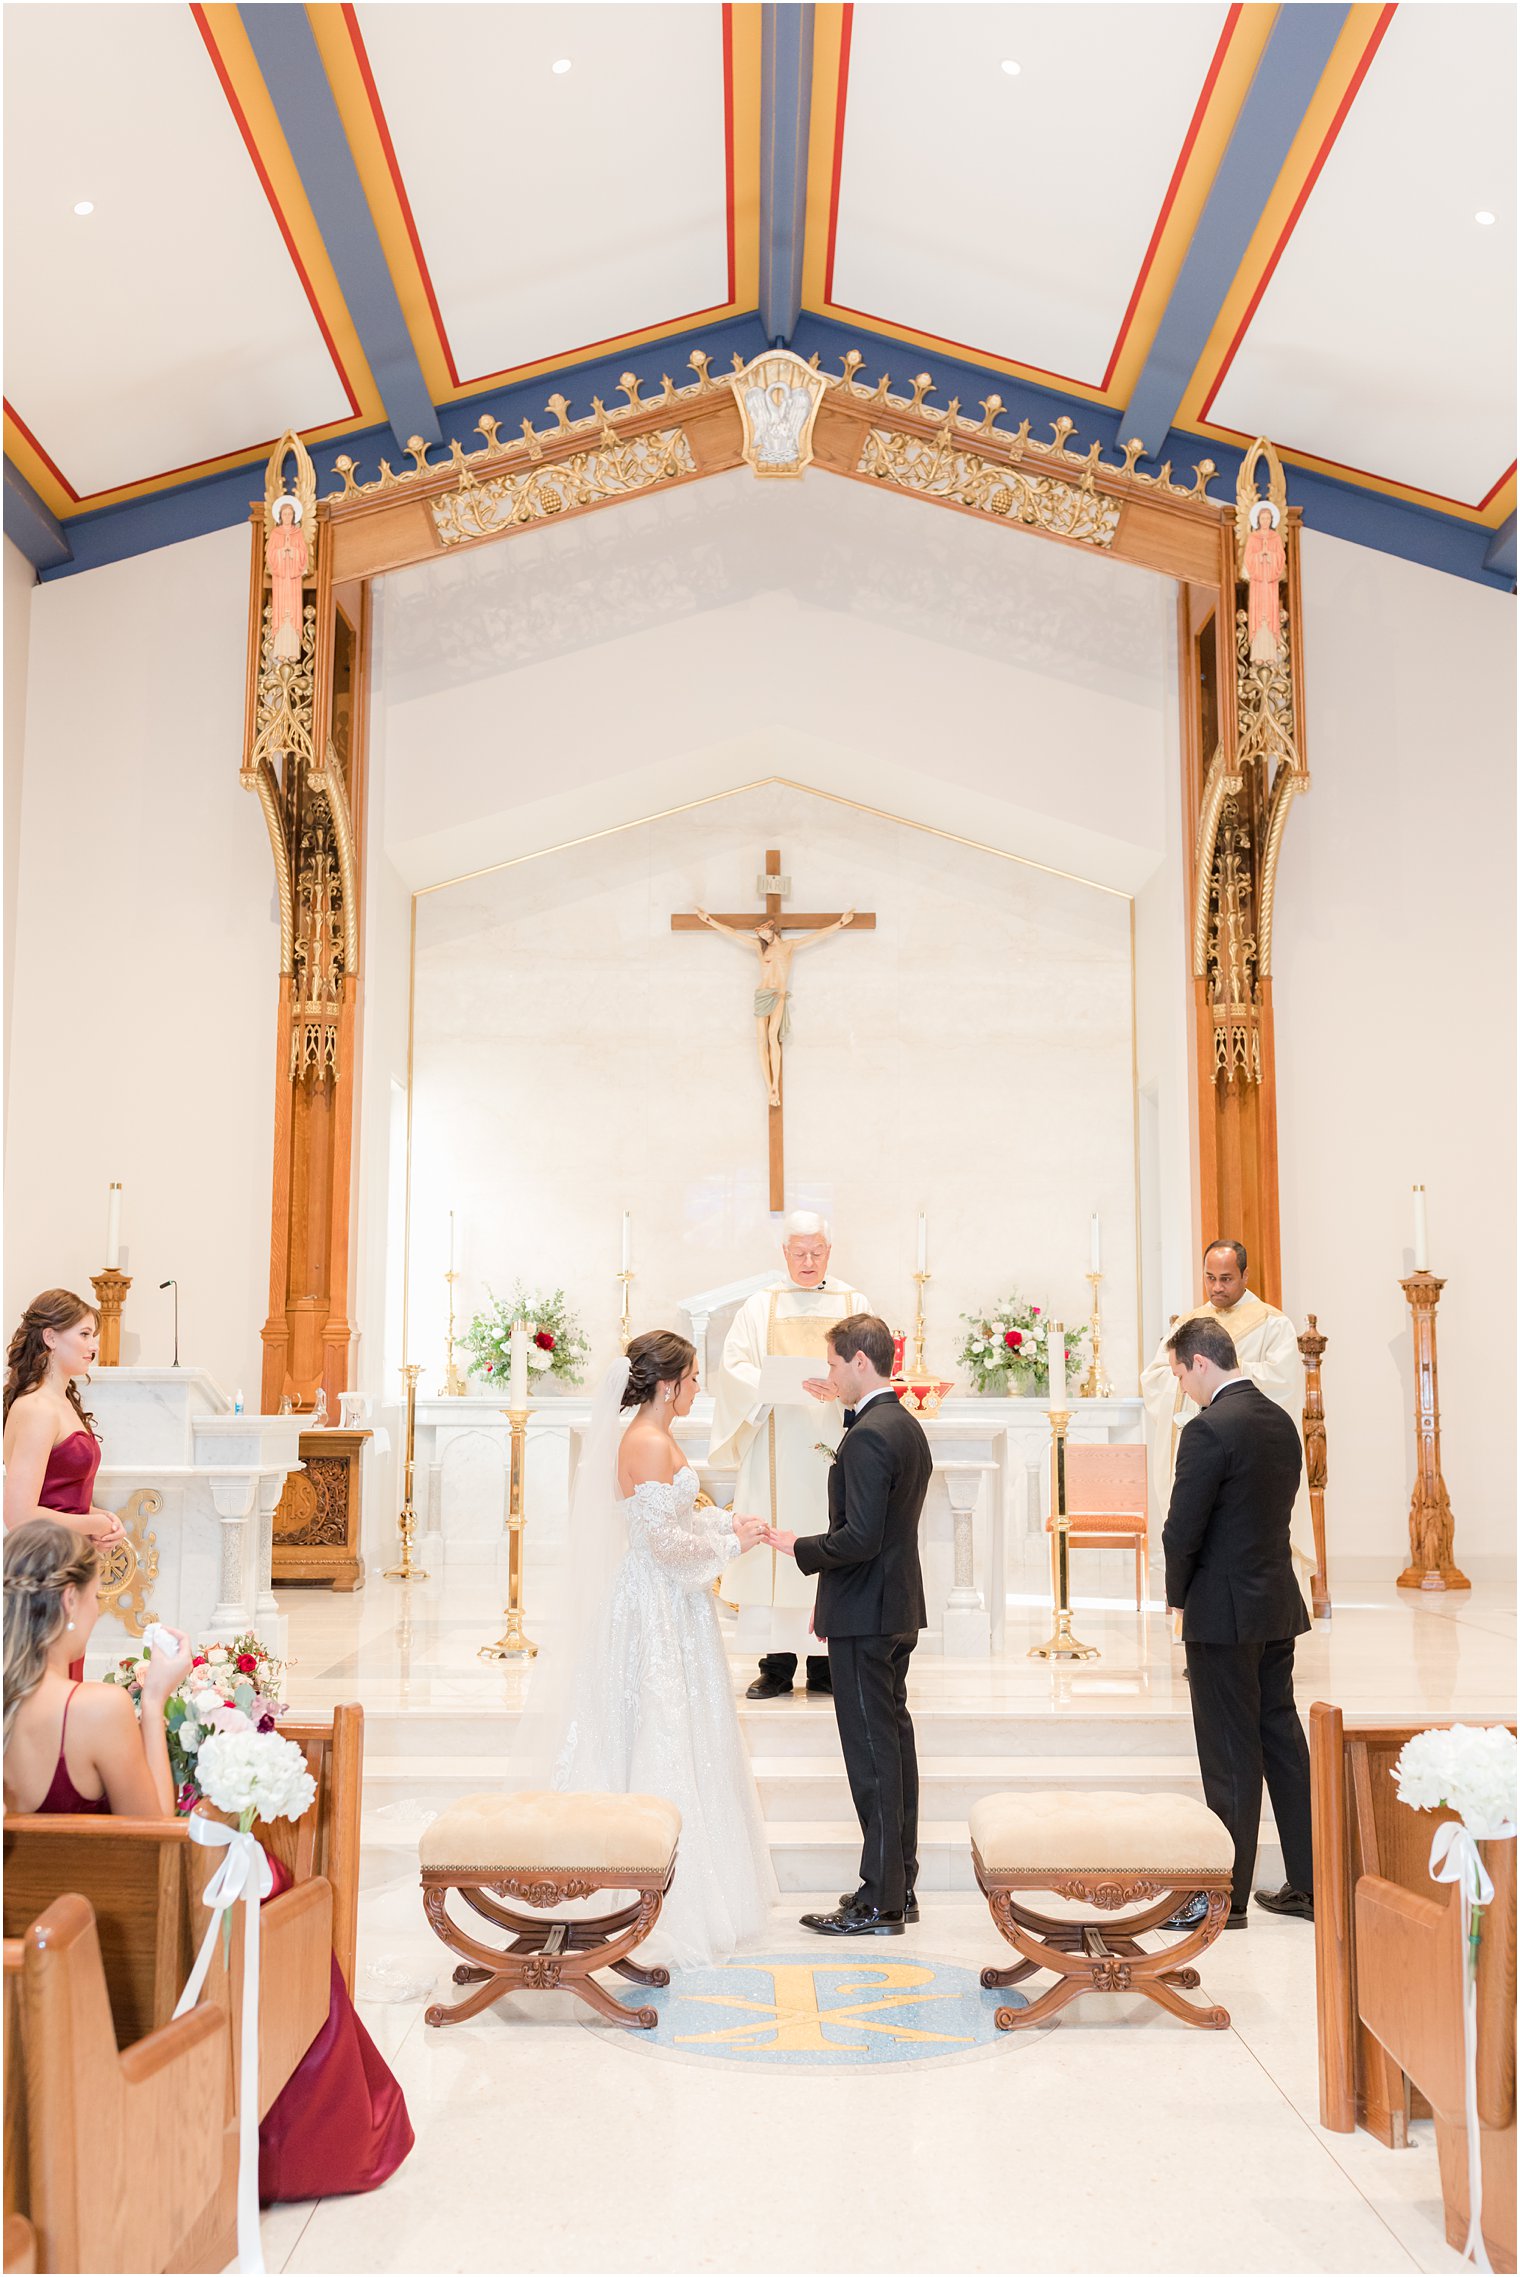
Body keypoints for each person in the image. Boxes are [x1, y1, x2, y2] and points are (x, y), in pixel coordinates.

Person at [2, 1521, 414, 2201]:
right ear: (68, 1602)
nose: (101, 1604)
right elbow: (157, 1825)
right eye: (97, 1589)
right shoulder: (95, 1708)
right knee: (279, 1885)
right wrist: (157, 1695)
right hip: (123, 1926)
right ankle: (301, 2141)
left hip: (35, 1923)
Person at [514, 1330, 777, 1966]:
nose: (696, 1388)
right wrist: (731, 1547)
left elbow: (666, 1518)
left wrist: (723, 1522)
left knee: (670, 1726)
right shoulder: (651, 1440)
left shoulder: (647, 1434)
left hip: (662, 1599)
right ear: (667, 1385)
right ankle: (653, 1888)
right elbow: (664, 1545)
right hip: (656, 1606)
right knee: (660, 1726)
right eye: (691, 1379)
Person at [765, 1315, 931, 1936]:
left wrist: (799, 1547)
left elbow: (859, 1537)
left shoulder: (867, 1435)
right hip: (894, 1607)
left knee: (872, 1758)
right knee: (893, 1749)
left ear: (861, 1361)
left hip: (866, 1612)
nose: (828, 1375)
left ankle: (879, 1900)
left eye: (832, 1364)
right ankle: (899, 1884)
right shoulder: (905, 1423)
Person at [1159, 1317, 1315, 1932]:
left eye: (1180, 1375)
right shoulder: (1280, 1421)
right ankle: (1308, 1882)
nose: (1183, 1388)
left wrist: (1176, 1600)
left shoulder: (1207, 1430)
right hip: (1275, 1603)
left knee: (1228, 1753)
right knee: (1281, 1740)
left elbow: (1182, 1529)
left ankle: (1226, 1899)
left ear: (1200, 1363)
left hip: (1222, 1615)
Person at [708, 1212, 870, 1699]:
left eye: (816, 1252)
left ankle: (825, 1666)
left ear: (829, 1252)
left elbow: (871, 1361)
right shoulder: (762, 1305)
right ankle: (775, 1666)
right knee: (772, 1547)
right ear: (784, 1254)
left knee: (830, 1539)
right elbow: (734, 1367)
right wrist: (776, 1384)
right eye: (798, 1252)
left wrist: (840, 1384)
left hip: (836, 1445)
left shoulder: (852, 1302)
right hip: (774, 1439)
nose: (807, 1261)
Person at [1140, 1240, 1315, 1632]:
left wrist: (1223, 1371)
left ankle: (1264, 1631)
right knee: (1193, 1530)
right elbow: (1154, 1379)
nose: (1217, 1288)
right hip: (1197, 1447)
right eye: (1210, 1278)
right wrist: (1191, 1385)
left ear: (1245, 1276)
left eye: (1226, 1279)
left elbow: (1286, 1383)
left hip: (1247, 1456)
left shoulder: (1272, 1324)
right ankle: (1196, 1629)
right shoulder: (1188, 1326)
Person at [3, 1519, 191, 1814]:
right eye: (96, 1596)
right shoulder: (98, 1709)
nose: (97, 1609)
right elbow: (154, 1836)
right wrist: (154, 1702)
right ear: (70, 1600)